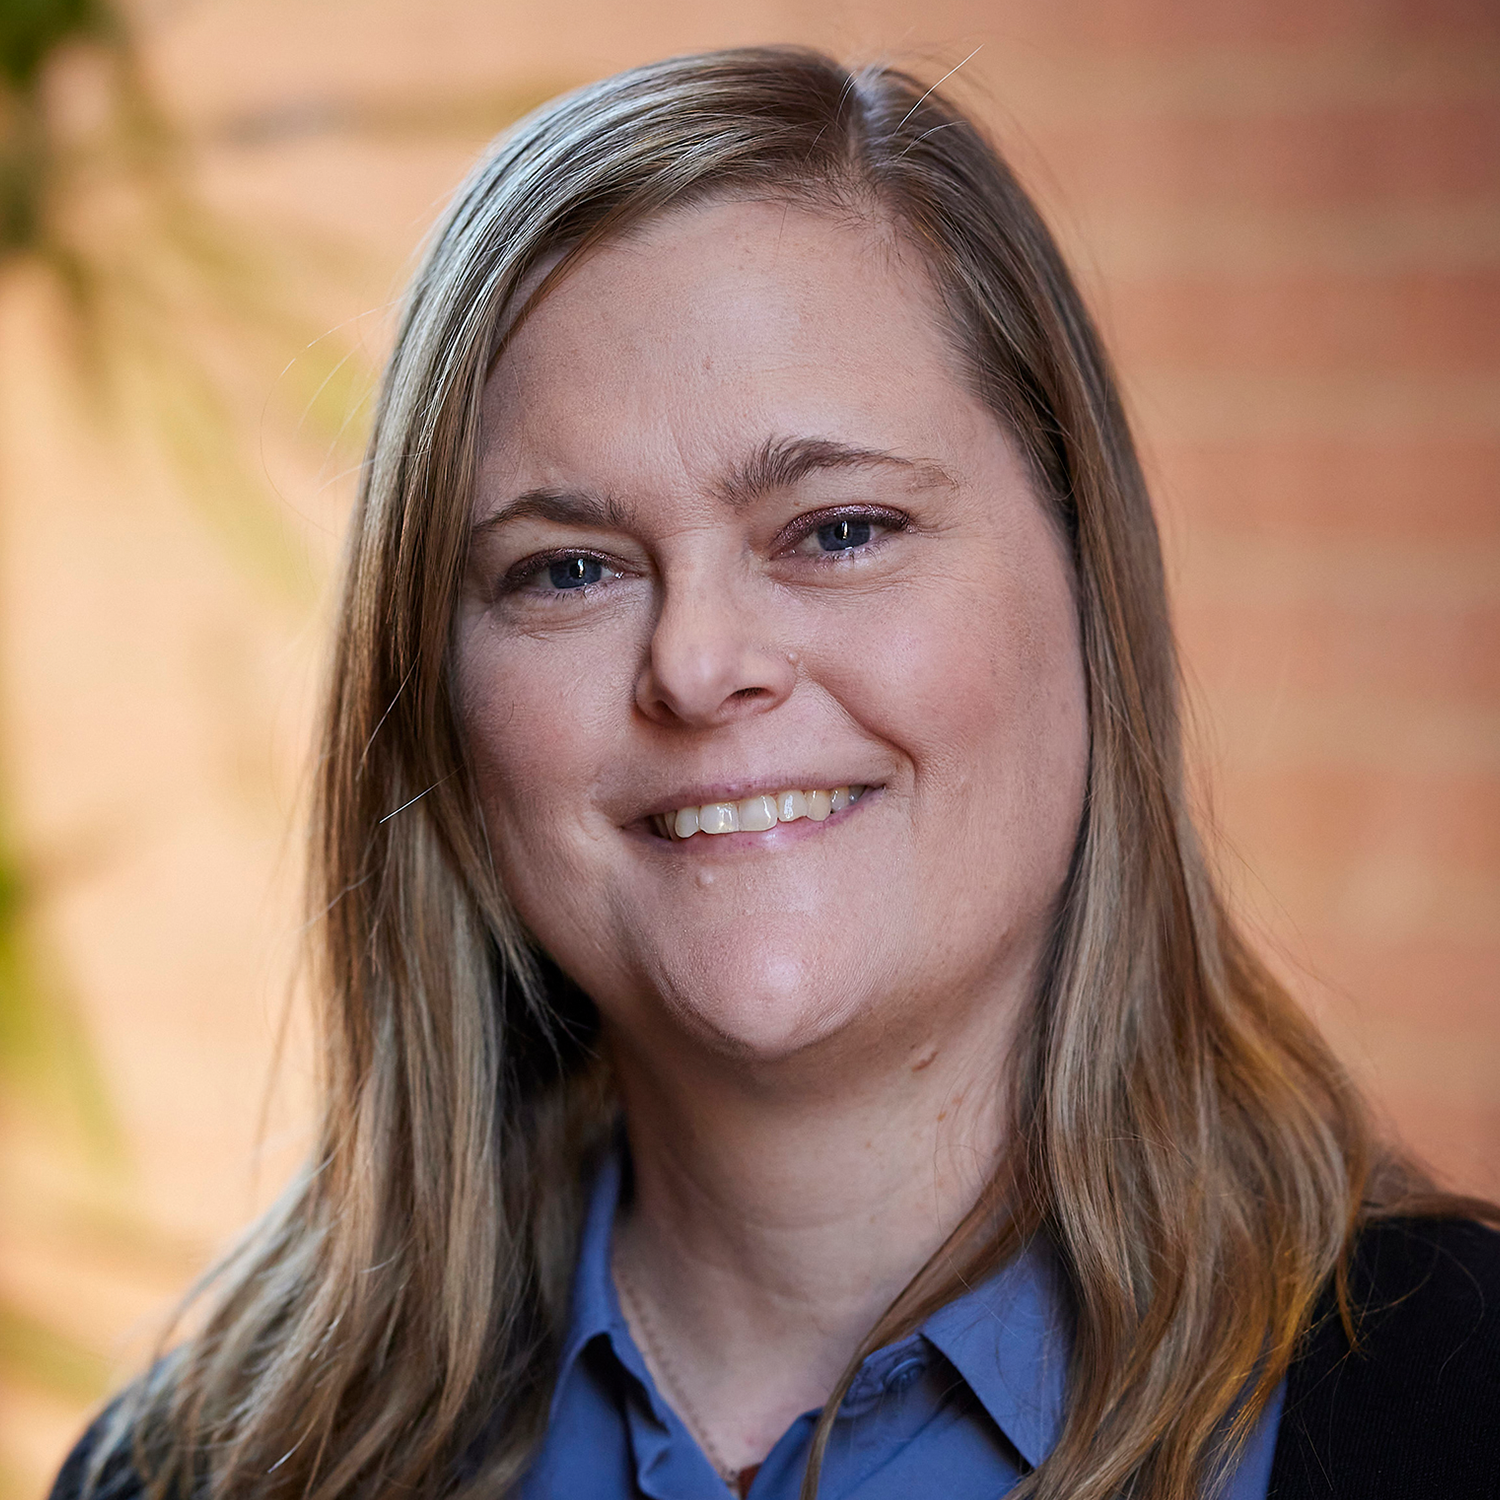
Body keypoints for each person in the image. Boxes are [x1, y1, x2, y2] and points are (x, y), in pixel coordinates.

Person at [51, 46, 1500, 1500]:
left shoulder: (1461, 1407)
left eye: (839, 529)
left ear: (1090, 585)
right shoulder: (194, 1469)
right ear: (435, 697)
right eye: (567, 568)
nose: (697, 664)